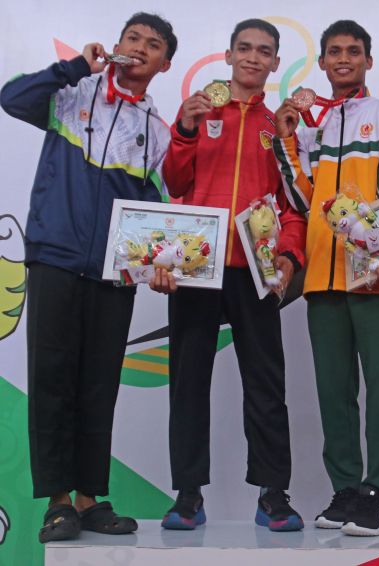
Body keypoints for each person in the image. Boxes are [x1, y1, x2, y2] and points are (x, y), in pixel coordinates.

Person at [0, 12, 178, 543]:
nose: (139, 48)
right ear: (117, 44)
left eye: (152, 45)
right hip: (55, 255)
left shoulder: (158, 133)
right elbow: (11, 99)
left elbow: (154, 211)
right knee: (52, 380)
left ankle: (89, 498)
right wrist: (74, 65)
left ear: (164, 64)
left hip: (114, 273)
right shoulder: (71, 94)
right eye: (133, 38)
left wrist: (160, 262)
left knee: (99, 385)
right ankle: (58, 503)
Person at [159, 18, 306, 532]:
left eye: (263, 51)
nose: (252, 57)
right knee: (188, 382)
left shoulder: (278, 127)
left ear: (273, 63)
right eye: (244, 48)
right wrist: (185, 128)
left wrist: (288, 256)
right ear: (227, 55)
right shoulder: (201, 112)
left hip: (257, 269)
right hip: (198, 266)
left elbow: (293, 206)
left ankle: (273, 494)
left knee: (266, 383)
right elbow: (174, 181)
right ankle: (187, 495)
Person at [274, 20, 379, 537]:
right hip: (322, 278)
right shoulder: (310, 127)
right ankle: (346, 489)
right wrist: (286, 140)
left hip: (377, 277)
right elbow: (302, 200)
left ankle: (378, 491)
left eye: (354, 51)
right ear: (323, 64)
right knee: (333, 391)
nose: (344, 59)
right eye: (335, 52)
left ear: (368, 61)